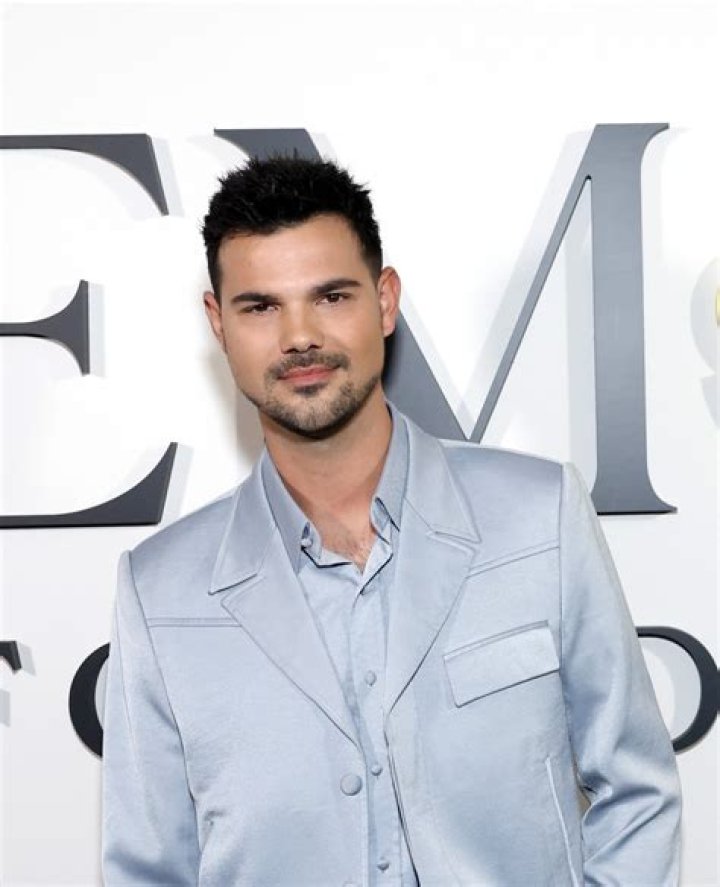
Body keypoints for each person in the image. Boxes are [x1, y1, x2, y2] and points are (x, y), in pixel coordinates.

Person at [101, 157, 682, 886]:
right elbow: (149, 870)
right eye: (261, 307)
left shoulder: (540, 515)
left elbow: (637, 791)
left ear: (384, 301)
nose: (299, 336)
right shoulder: (159, 591)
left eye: (330, 296)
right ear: (219, 323)